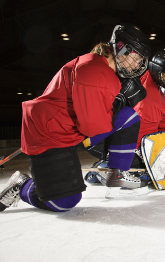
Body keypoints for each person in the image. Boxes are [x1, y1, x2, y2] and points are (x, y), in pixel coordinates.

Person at [0, 24, 151, 212]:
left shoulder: (102, 67)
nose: (138, 65)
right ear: (121, 49)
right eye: (136, 58)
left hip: (70, 127)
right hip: (50, 133)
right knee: (64, 202)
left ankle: (116, 175)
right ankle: (21, 185)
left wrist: (118, 105)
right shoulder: (95, 72)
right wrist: (118, 104)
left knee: (128, 117)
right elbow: (92, 128)